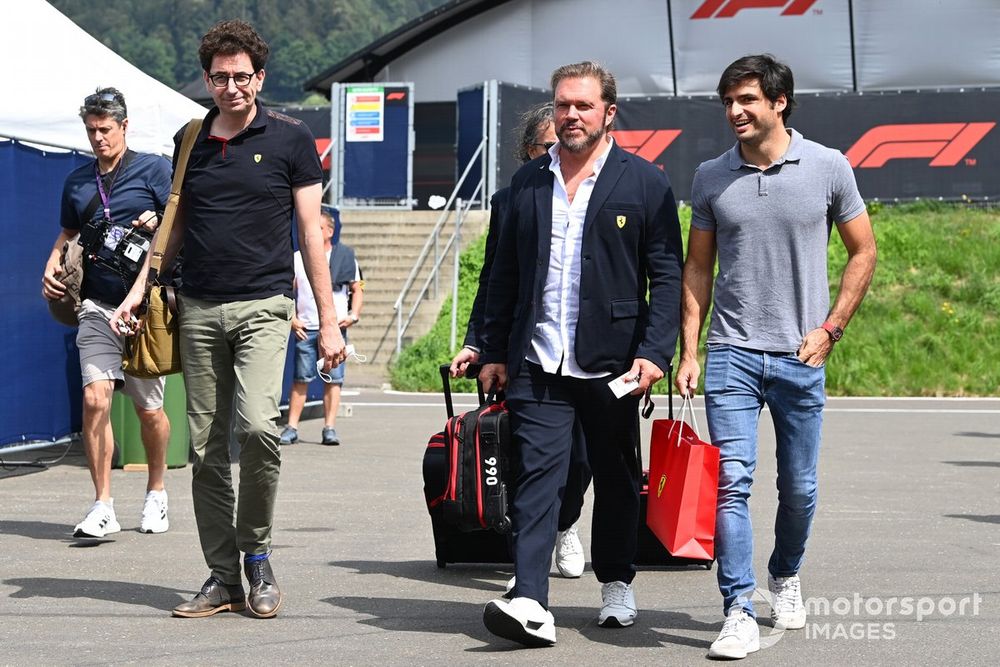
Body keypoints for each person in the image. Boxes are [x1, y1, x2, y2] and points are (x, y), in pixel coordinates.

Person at [112, 20, 346, 619]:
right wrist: (141, 289)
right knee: (208, 449)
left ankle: (259, 556)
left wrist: (327, 319)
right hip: (197, 308)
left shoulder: (292, 139)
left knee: (261, 428)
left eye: (242, 77)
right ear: (208, 80)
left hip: (265, 306)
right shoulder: (190, 139)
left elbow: (310, 236)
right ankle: (222, 576)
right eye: (220, 77)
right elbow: (173, 225)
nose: (232, 87)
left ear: (259, 78)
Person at [675, 54, 877, 660]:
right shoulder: (712, 176)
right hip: (732, 353)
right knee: (730, 484)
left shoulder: (828, 167)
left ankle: (784, 573)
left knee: (801, 488)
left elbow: (863, 252)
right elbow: (697, 267)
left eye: (747, 100)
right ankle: (737, 608)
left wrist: (831, 329)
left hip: (800, 355)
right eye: (728, 102)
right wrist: (691, 351)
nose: (735, 111)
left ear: (779, 101)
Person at [477, 61, 684, 647]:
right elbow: (502, 274)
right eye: (563, 104)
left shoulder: (644, 183)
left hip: (614, 364)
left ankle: (616, 581)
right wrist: (492, 347)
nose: (571, 115)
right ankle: (530, 599)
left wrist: (655, 352)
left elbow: (666, 275)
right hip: (538, 362)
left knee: (617, 477)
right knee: (536, 480)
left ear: (608, 113)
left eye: (583, 106)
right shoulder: (527, 184)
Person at [449, 102, 589, 581]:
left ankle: (565, 523)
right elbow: (494, 278)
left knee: (580, 459)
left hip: (588, 355)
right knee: (525, 457)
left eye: (559, 144)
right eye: (544, 147)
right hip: (525, 351)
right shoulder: (511, 199)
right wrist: (478, 344)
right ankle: (528, 560)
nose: (555, 153)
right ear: (527, 152)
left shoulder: (595, 191)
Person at [42, 87, 172, 538]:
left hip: (144, 310)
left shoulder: (154, 169)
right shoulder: (77, 181)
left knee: (148, 408)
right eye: (91, 130)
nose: (98, 138)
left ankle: (156, 491)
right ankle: (103, 504)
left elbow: (179, 221)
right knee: (96, 400)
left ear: (124, 127)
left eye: (105, 129)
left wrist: (156, 221)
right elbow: (68, 232)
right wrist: (51, 261)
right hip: (96, 305)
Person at [281, 206, 364, 446]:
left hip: (335, 329)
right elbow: (288, 288)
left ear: (329, 231)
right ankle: (291, 427)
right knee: (301, 378)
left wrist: (353, 315)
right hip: (306, 327)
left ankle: (329, 428)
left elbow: (358, 287)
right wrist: (292, 318)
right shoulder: (297, 257)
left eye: (317, 228)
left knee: (334, 378)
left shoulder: (346, 257)